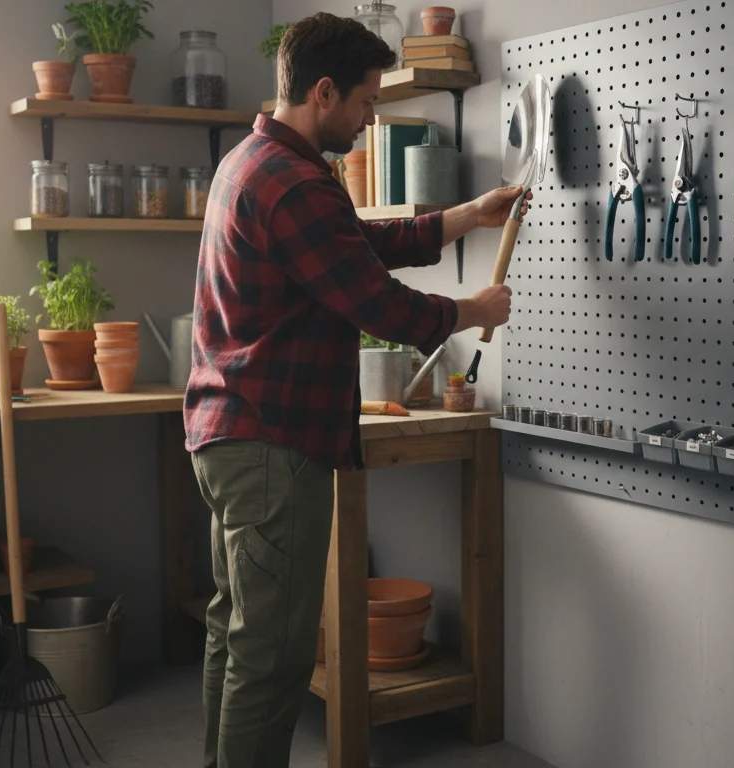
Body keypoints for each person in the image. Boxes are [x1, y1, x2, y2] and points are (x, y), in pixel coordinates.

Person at [183, 12, 531, 768]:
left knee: (236, 632)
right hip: (272, 446)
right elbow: (376, 302)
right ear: (324, 90)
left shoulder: (256, 162)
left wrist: (467, 215)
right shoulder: (292, 180)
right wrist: (471, 312)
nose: (372, 118)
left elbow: (361, 247)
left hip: (231, 438)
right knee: (273, 656)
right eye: (368, 102)